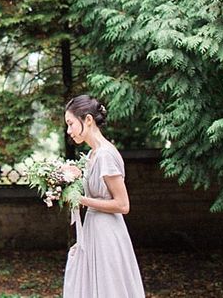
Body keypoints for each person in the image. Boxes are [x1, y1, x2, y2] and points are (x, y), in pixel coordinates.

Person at [63, 94, 145, 298]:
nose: (68, 130)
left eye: (71, 123)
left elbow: (123, 205)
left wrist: (80, 200)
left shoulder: (105, 155)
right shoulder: (92, 155)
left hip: (107, 233)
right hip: (93, 228)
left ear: (88, 120)